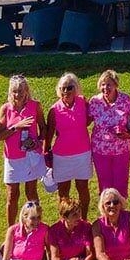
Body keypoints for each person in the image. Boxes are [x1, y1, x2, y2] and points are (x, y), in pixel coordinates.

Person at [0, 74, 46, 228]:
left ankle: (35, 227)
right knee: (12, 195)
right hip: (12, 158)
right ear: (10, 92)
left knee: (31, 193)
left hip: (30, 156)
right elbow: (0, 135)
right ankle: (11, 231)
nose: (17, 94)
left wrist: (37, 142)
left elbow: (43, 128)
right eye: (14, 91)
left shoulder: (35, 106)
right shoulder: (5, 109)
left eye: (20, 91)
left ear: (26, 91)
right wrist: (16, 127)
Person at [45, 73, 93, 219]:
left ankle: (83, 220)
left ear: (76, 88)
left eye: (69, 87)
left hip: (82, 154)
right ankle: (64, 222)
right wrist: (46, 154)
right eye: (63, 88)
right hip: (62, 157)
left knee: (83, 189)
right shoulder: (54, 110)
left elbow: (89, 120)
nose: (66, 91)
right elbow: (49, 134)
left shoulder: (83, 103)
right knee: (63, 193)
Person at [88, 70, 130, 198]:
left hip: (122, 149)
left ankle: (121, 214)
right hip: (100, 150)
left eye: (109, 84)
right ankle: (106, 214)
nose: (105, 88)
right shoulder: (95, 102)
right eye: (103, 84)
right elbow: (86, 120)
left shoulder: (125, 100)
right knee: (104, 184)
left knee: (121, 183)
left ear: (116, 85)